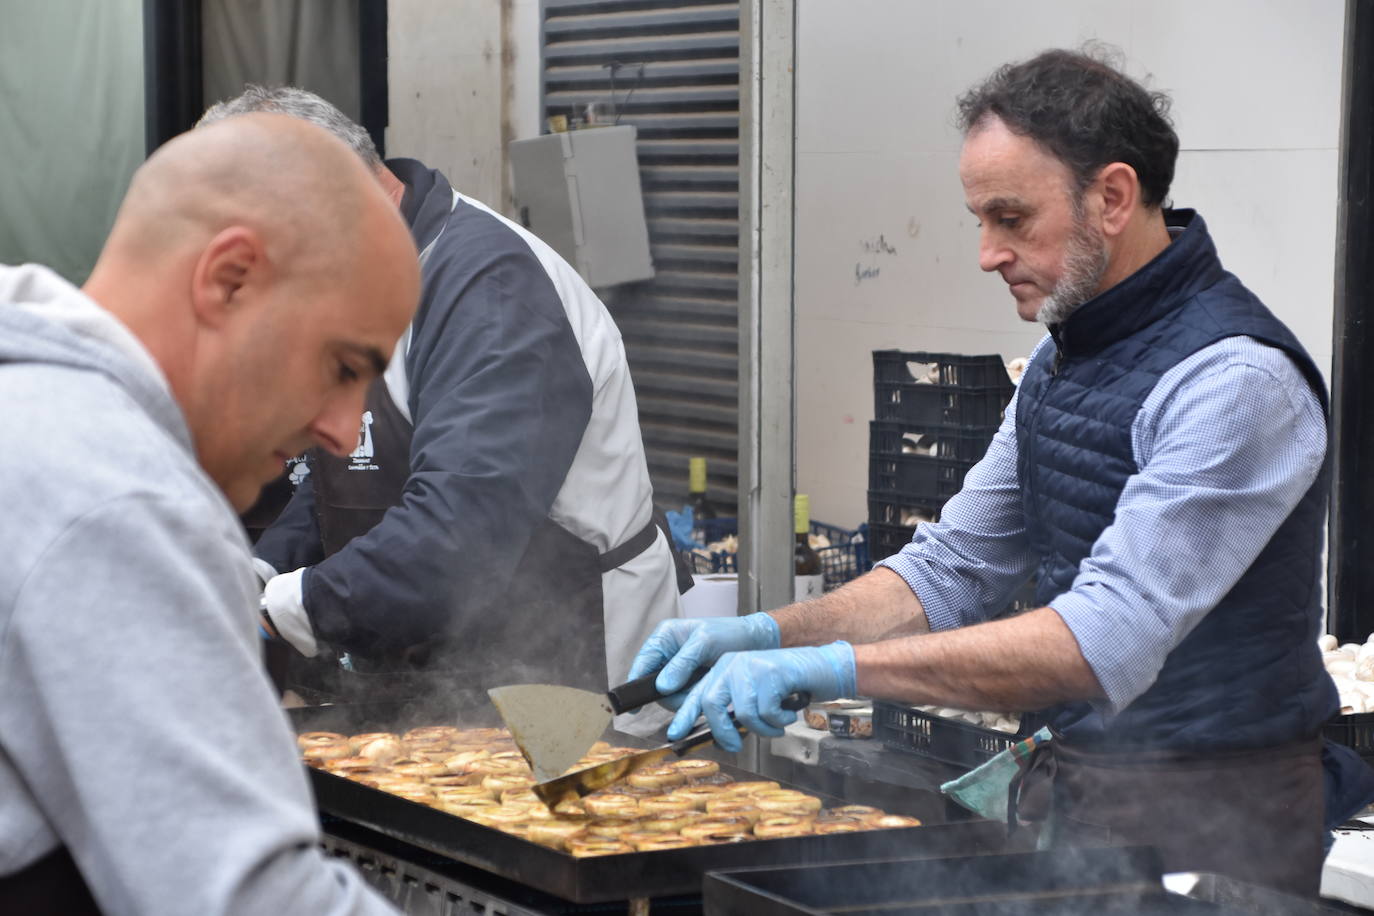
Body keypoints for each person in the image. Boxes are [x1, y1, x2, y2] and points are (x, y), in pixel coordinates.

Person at [629, 48, 1374, 895]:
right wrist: (771, 633)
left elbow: (1103, 638)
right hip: (1088, 798)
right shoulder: (1064, 359)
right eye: (979, 219)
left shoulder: (1237, 382)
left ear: (1113, 198)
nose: (987, 253)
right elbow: (951, 568)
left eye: (1012, 219)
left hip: (1220, 827)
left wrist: (835, 670)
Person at [0, 114, 418, 913]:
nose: (340, 429)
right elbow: (247, 899)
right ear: (230, 278)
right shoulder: (114, 498)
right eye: (342, 366)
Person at [199, 87, 685, 715]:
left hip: (571, 667)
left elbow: (461, 535)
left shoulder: (491, 293)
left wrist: (286, 609)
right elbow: (339, 470)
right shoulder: (357, 277)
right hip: (437, 665)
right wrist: (258, 574)